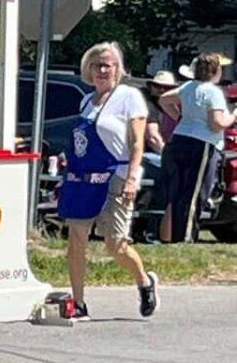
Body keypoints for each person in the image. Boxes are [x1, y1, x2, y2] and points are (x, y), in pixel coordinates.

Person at [56, 42, 157, 320]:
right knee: (77, 239)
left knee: (115, 243)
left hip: (117, 175)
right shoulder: (86, 101)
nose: (102, 70)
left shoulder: (129, 97)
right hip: (85, 179)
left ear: (118, 69)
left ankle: (144, 281)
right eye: (97, 65)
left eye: (108, 65)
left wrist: (132, 180)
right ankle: (78, 302)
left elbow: (137, 143)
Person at [158, 53, 233, 243]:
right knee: (195, 193)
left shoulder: (188, 87)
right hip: (202, 144)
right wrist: (233, 117)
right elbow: (217, 123)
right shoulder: (213, 92)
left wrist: (180, 118)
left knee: (178, 191)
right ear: (215, 71)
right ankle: (185, 238)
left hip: (180, 140)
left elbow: (164, 100)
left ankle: (172, 236)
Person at [147, 70, 179, 241]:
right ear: (150, 86)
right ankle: (153, 228)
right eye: (157, 86)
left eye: (166, 87)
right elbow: (152, 137)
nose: (161, 90)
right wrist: (168, 155)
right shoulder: (148, 105)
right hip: (147, 154)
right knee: (168, 177)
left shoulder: (170, 107)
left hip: (163, 152)